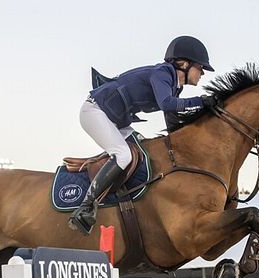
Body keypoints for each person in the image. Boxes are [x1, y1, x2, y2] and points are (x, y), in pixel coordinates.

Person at [68, 35, 217, 235]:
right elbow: (166, 104)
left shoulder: (174, 85)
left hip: (114, 119)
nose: (202, 74)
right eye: (201, 68)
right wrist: (200, 101)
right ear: (184, 64)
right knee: (123, 155)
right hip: (95, 112)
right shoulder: (162, 74)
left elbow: (173, 124)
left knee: (143, 151)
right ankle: (85, 208)